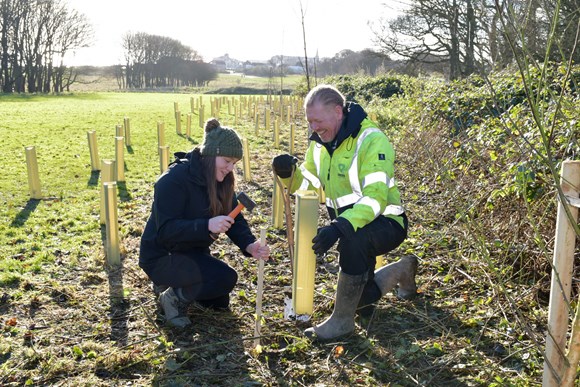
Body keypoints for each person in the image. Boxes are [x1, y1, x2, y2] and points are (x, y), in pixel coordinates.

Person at [272, 84, 417, 341]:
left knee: (352, 241)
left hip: (386, 223)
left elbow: (376, 198)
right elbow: (308, 184)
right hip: (352, 226)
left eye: (318, 120)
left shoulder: (372, 140)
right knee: (362, 300)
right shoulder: (318, 145)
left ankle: (341, 322)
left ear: (338, 112)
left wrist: (338, 227)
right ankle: (402, 269)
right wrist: (288, 175)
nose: (314, 127)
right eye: (309, 121)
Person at [139, 118, 270, 328]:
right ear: (210, 154)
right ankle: (170, 298)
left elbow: (234, 219)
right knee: (225, 278)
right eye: (226, 161)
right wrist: (206, 226)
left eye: (234, 164)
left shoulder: (220, 181)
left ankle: (172, 285)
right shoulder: (172, 181)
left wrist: (249, 245)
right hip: (162, 256)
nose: (230, 168)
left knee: (219, 302)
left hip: (191, 253)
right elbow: (166, 231)